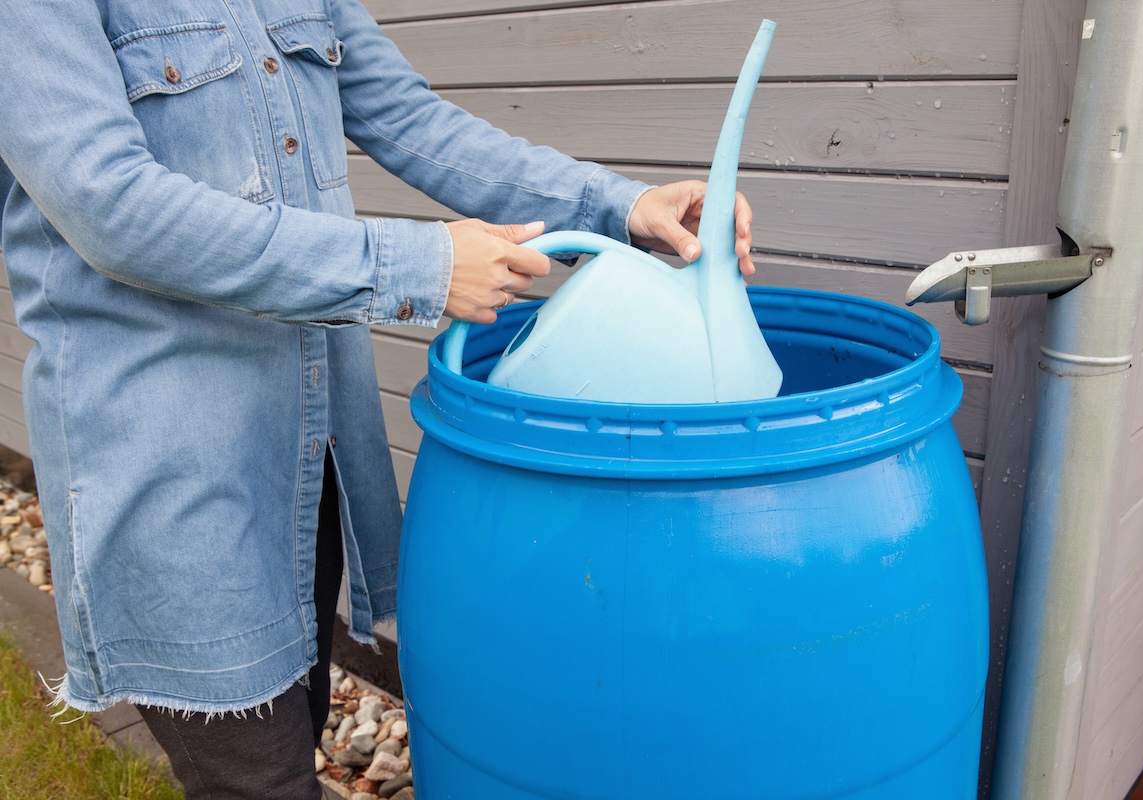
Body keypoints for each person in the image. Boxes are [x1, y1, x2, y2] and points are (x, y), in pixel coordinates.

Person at [0, 1, 756, 797]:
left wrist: (619, 204)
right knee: (257, 779)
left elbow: (410, 119)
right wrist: (418, 266)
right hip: (169, 462)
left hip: (306, 448)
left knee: (295, 726)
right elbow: (110, 206)